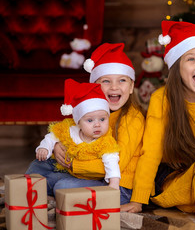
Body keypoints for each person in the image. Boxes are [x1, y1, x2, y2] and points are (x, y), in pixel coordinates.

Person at [126, 20, 195, 212]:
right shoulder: (161, 99)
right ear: (177, 67)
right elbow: (150, 153)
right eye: (191, 59)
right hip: (173, 172)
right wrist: (138, 200)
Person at [27, 43, 145, 210]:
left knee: (64, 186)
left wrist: (73, 164)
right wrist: (57, 147)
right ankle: (52, 194)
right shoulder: (90, 110)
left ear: (132, 86)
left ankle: (55, 194)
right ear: (94, 86)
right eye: (106, 81)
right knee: (37, 167)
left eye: (122, 80)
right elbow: (71, 132)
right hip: (87, 174)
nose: (114, 87)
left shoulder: (133, 119)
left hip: (118, 184)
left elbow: (117, 165)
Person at [34, 78, 120, 189]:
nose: (97, 125)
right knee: (38, 164)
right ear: (78, 122)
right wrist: (44, 148)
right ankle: (27, 185)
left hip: (87, 179)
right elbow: (52, 137)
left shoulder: (106, 142)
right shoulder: (70, 129)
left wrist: (114, 184)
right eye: (90, 120)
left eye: (102, 119)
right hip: (67, 171)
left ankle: (46, 193)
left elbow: (112, 163)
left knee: (60, 185)